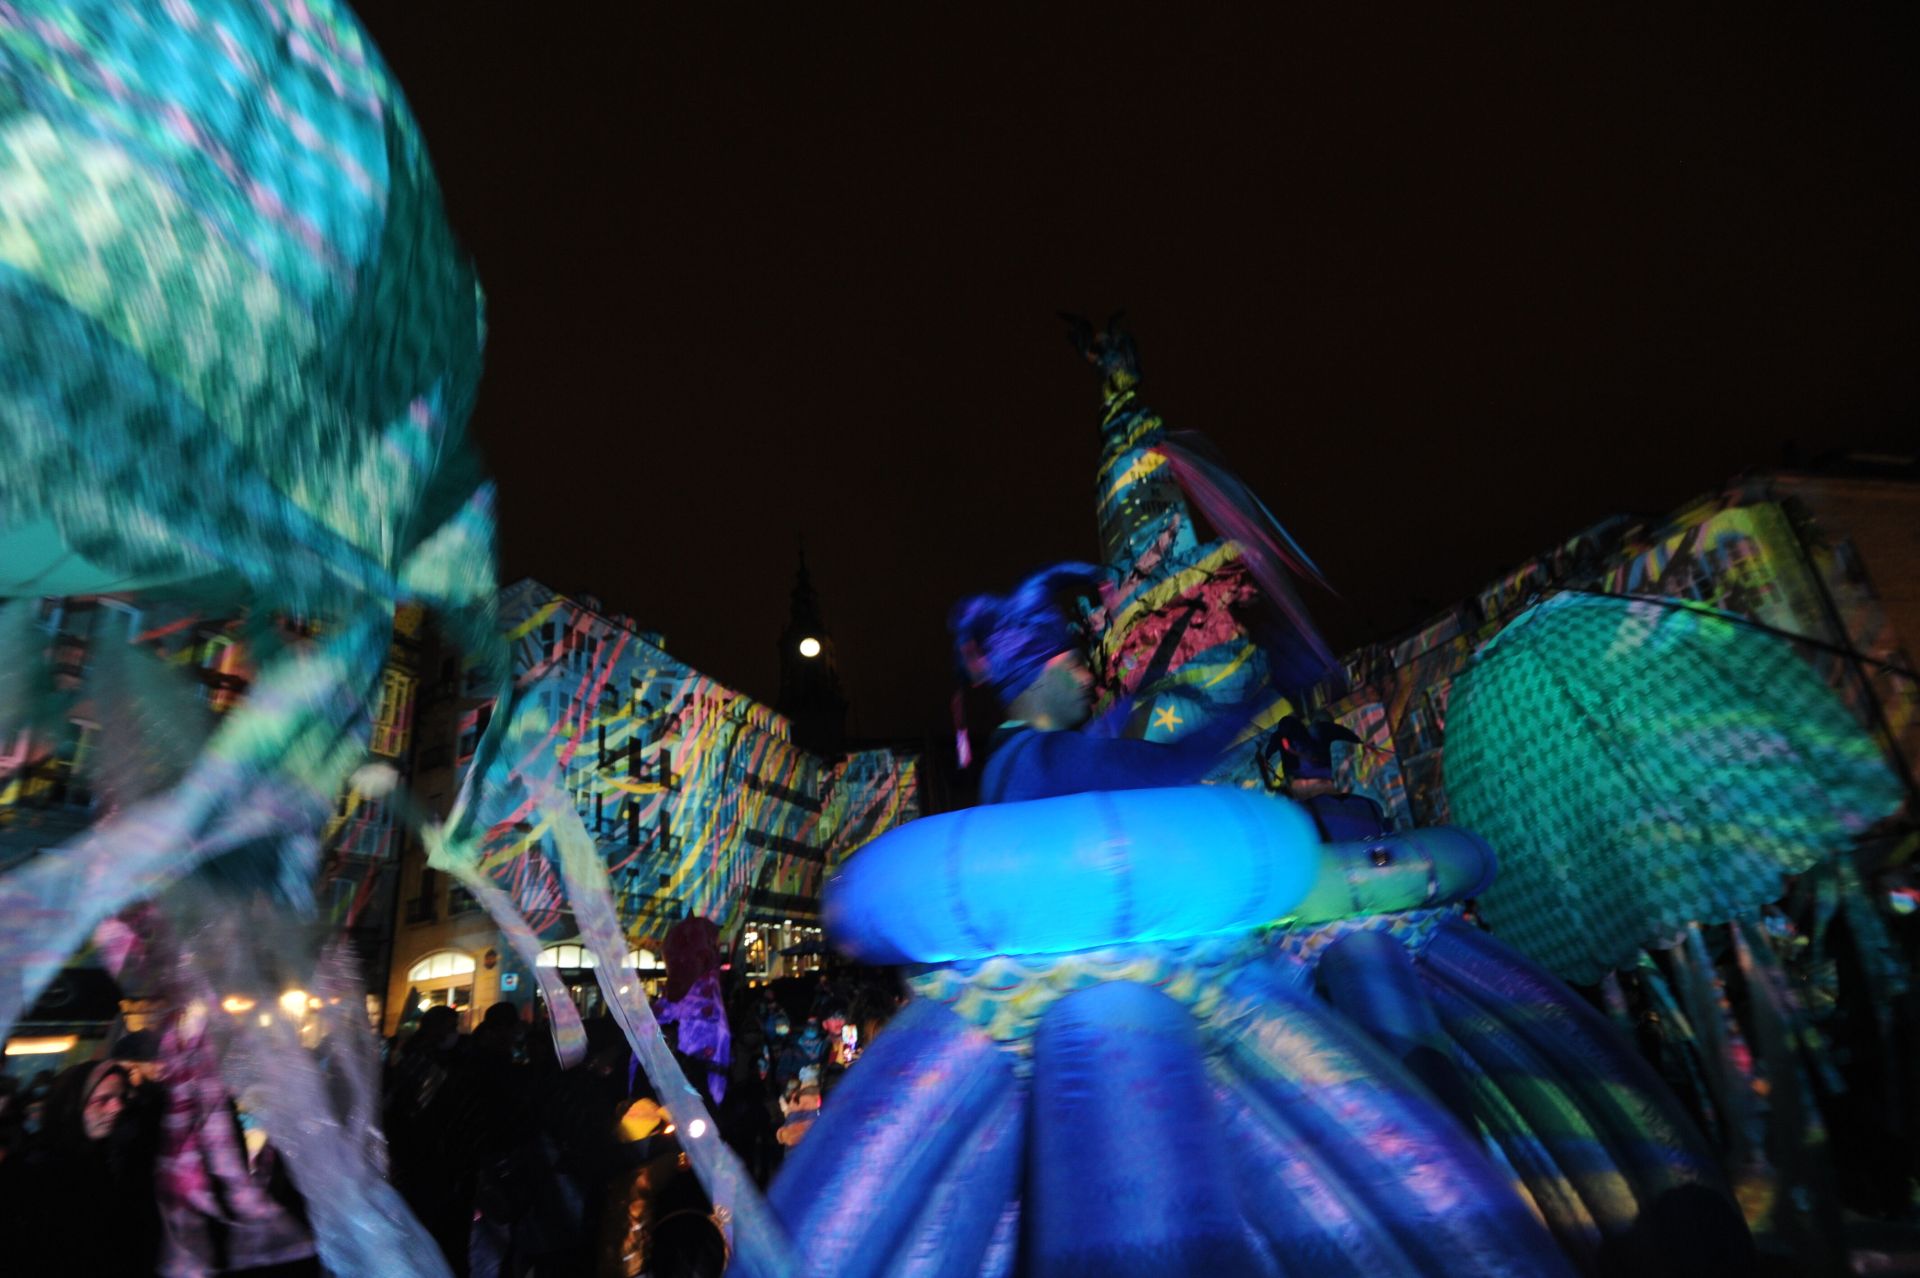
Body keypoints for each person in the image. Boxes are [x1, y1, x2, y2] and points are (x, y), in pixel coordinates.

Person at [950, 564, 1253, 804]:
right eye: (1074, 666)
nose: (1087, 677)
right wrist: (1256, 700)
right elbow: (1177, 764)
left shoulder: (1006, 761)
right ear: (1036, 679)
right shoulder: (1046, 759)